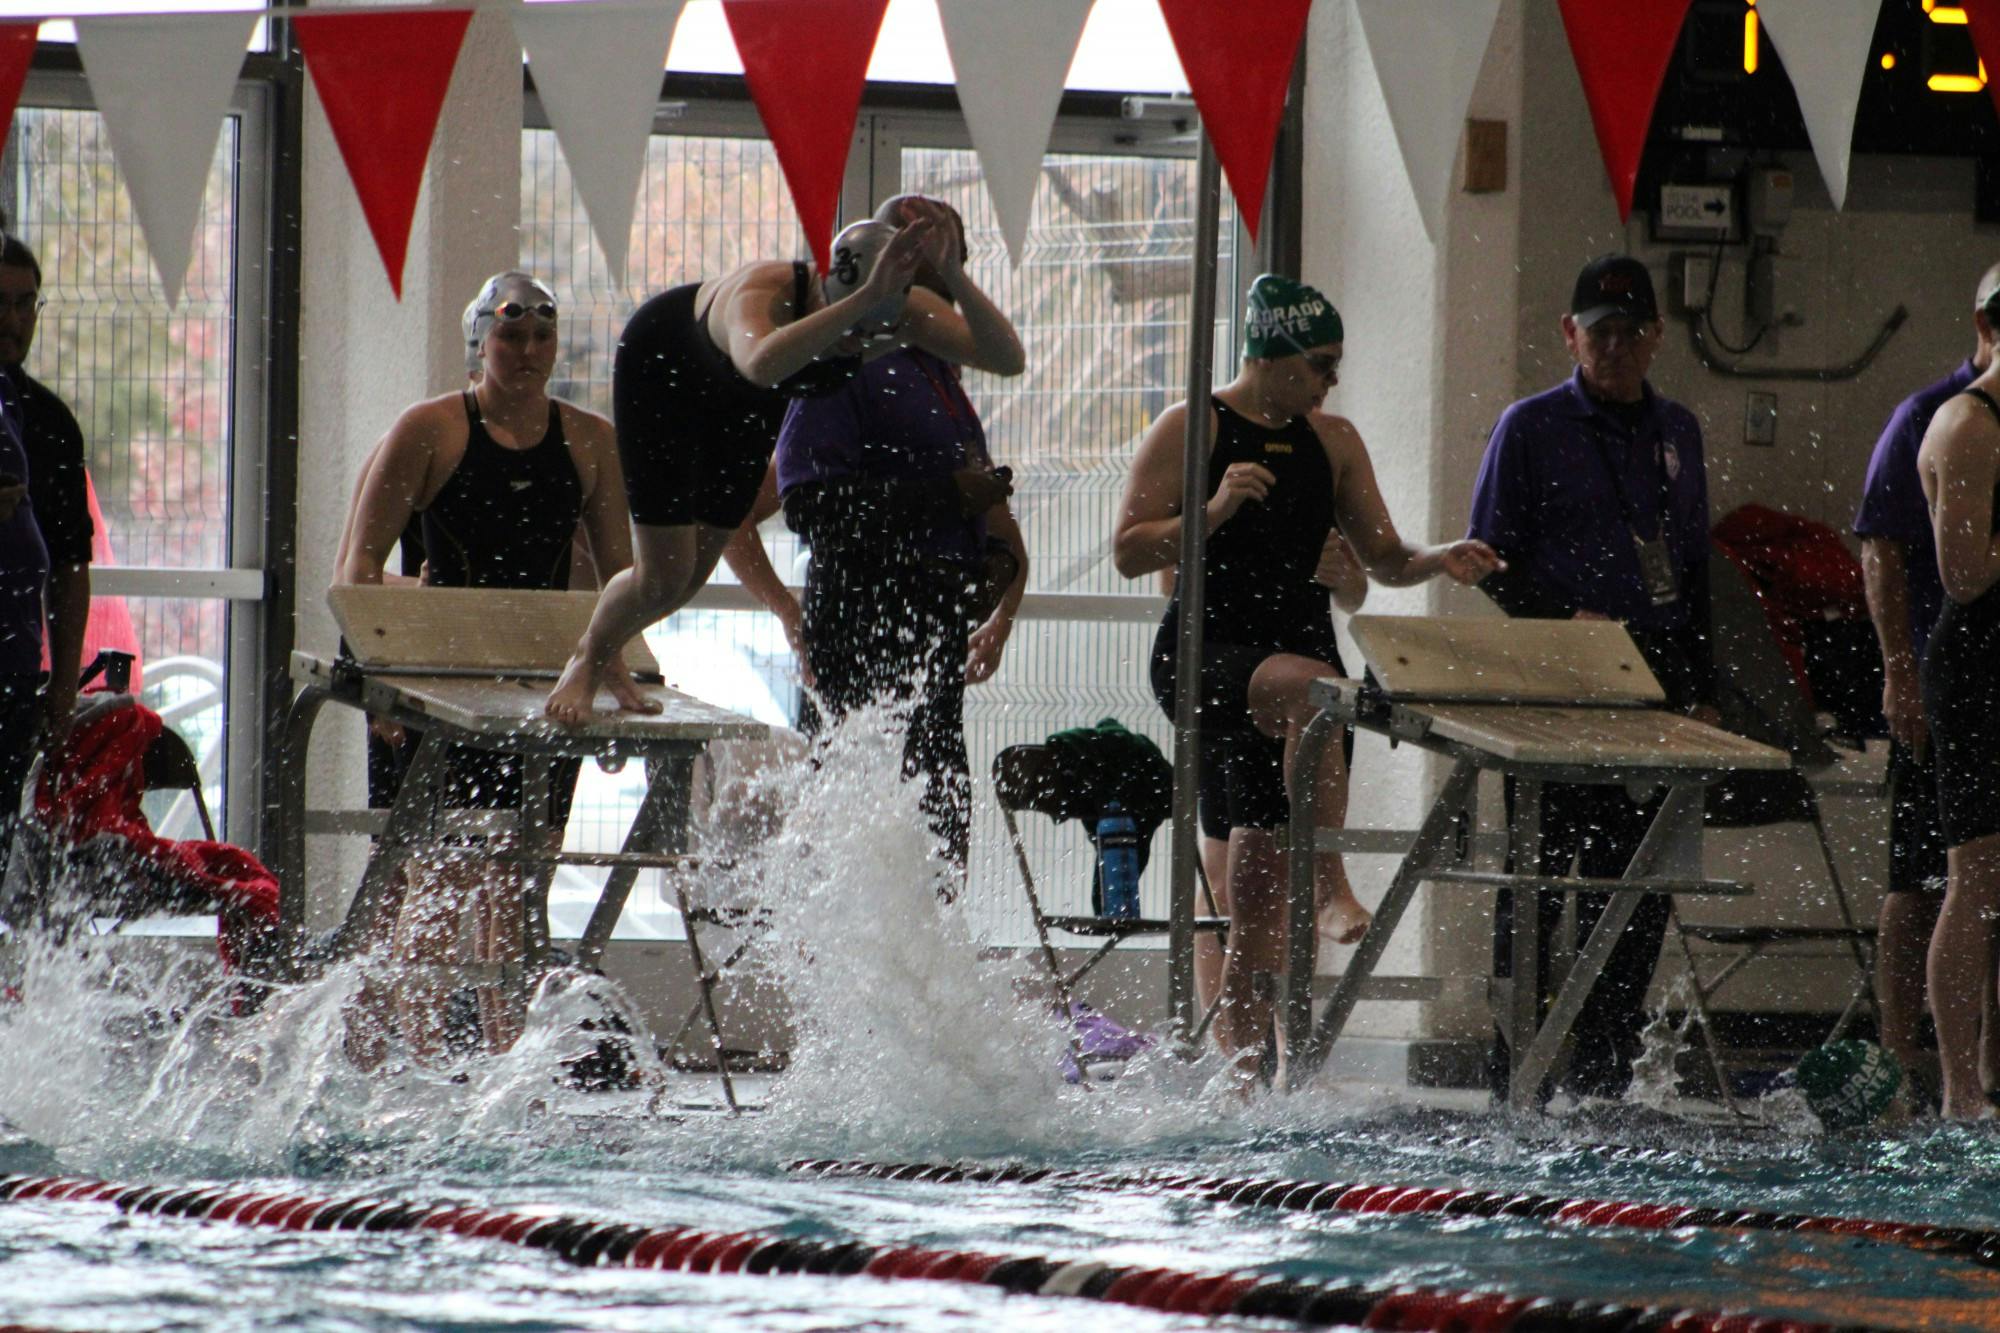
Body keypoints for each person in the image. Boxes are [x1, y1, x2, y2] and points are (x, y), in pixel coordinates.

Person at [1114, 274, 1500, 1074]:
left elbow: (1386, 559)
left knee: (1255, 900)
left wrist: (1441, 557)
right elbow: (1128, 550)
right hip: (1206, 658)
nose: (1332, 379)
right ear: (1274, 352)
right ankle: (1329, 880)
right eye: (1322, 362)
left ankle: (1251, 1082)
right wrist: (1214, 510)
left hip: (1292, 681)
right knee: (1321, 690)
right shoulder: (1193, 426)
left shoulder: (1335, 442)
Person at [544, 196, 1025, 723]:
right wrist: (864, 301)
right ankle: (588, 658)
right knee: (662, 575)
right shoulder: (764, 293)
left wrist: (952, 273)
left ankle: (605, 649)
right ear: (827, 292)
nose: (858, 344)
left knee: (689, 578)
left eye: (872, 334)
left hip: (746, 406)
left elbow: (1007, 359)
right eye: (852, 329)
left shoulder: (901, 310)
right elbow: (759, 363)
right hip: (669, 375)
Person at [333, 271, 636, 1063]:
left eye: (541, 334)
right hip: (433, 675)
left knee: (517, 875)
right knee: (416, 877)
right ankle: (391, 1051)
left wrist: (621, 675)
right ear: (480, 340)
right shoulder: (429, 429)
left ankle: (507, 1058)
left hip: (536, 681)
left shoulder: (590, 439)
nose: (529, 350)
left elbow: (622, 584)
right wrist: (385, 694)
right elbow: (357, 572)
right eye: (511, 333)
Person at [1467, 253, 1716, 1103]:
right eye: (1598, 333)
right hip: (1559, 683)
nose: (1614, 348)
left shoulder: (1677, 432)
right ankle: (1518, 1074)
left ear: (1655, 338)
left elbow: (1694, 566)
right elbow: (1488, 560)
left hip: (1654, 683)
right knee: (1538, 881)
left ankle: (1606, 1077)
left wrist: (1705, 687)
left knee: (1634, 883)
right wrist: (1562, 620)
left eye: (1629, 333)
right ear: (1569, 335)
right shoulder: (1530, 428)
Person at [776, 218, 1028, 875]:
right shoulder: (844, 364)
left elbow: (976, 493)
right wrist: (946, 498)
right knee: (855, 817)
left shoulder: (933, 368)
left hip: (928, 621)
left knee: (940, 809)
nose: (954, 284)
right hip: (862, 617)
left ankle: (930, 970)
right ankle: (837, 970)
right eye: (940, 267)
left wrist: (991, 566)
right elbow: (807, 506)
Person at [1855, 264, 2000, 1102]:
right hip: (1958, 669)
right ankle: (1920, 1067)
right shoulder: (1948, 419)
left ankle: (1989, 1071)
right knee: (1940, 880)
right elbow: (1913, 558)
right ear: (1984, 324)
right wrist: (1897, 673)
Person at [1915, 320, 2000, 1119]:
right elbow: (1966, 573)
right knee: (1976, 876)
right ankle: (1959, 1089)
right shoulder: (1969, 424)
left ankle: (1993, 1072)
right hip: (1979, 665)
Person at [0, 226, 90, 864]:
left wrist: (61, 686)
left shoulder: (50, 423)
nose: (12, 319)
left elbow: (69, 564)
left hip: (11, 674)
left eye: (25, 303)